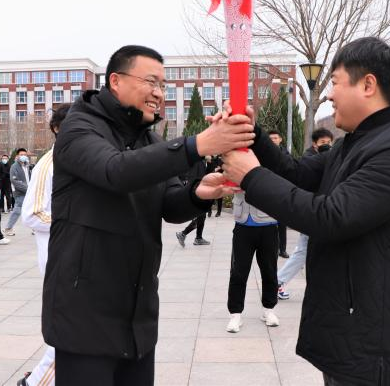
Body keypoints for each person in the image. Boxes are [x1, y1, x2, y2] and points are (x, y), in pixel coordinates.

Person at [222, 37, 390, 385]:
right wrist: (253, 132)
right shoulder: (356, 142)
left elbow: (330, 217)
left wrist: (250, 176)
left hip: (374, 338)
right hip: (349, 326)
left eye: (335, 82)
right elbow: (296, 173)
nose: (330, 95)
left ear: (368, 85)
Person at [42, 45, 252, 386]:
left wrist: (198, 193)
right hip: (84, 312)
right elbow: (115, 171)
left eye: (163, 85)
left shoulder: (149, 138)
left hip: (137, 312)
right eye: (151, 82)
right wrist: (198, 144)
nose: (158, 93)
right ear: (115, 81)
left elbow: (169, 204)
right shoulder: (79, 128)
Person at [17, 104, 71, 386]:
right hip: (58, 256)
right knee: (70, 326)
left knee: (75, 324)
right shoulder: (49, 164)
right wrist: (72, 223)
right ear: (57, 129)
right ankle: (37, 381)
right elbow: (32, 213)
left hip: (82, 254)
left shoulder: (78, 159)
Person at [276, 133, 333, 300]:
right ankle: (278, 281)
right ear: (315, 144)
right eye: (323, 142)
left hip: (319, 211)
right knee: (303, 251)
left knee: (310, 251)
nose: (326, 145)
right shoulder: (310, 160)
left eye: (329, 142)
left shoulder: (327, 158)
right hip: (313, 212)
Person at [226, 193, 280, 332]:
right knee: (238, 272)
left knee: (269, 270)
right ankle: (235, 314)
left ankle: (269, 309)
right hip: (242, 224)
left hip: (268, 223)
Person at [177, 157, 213, 246]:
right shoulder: (198, 162)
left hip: (199, 190)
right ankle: (184, 234)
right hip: (197, 191)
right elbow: (194, 178)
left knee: (201, 216)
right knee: (201, 215)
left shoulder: (202, 162)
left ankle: (198, 238)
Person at [267, 130, 290, 258]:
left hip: (282, 191)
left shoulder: (286, 154)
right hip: (269, 190)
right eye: (270, 138)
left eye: (275, 138)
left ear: (280, 139)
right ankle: (273, 248)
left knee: (282, 222)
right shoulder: (264, 154)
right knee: (270, 223)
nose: (273, 140)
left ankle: (283, 249)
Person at [4, 148, 30, 236]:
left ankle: (35, 228)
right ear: (17, 156)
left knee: (33, 209)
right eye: (21, 155)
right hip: (20, 192)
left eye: (25, 155)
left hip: (28, 192)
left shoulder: (26, 165)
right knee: (17, 211)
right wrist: (27, 188)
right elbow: (14, 180)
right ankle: (8, 228)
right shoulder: (14, 166)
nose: (23, 156)